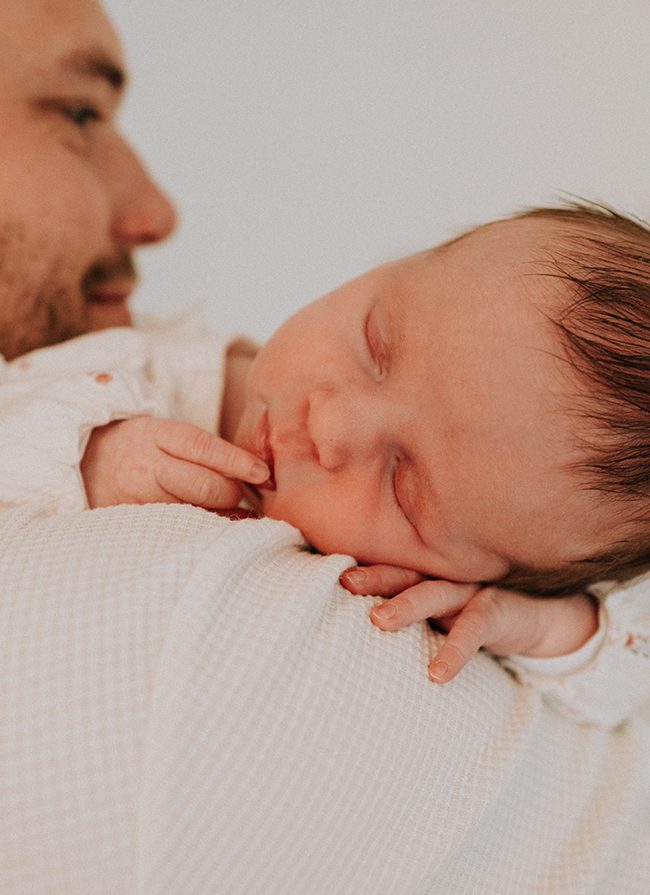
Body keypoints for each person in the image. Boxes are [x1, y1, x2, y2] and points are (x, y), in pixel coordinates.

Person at [2, 203, 650, 727]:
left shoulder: (479, 592)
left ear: (479, 570)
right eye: (376, 345)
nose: (330, 424)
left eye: (404, 484)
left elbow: (625, 685)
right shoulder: (129, 372)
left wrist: (542, 621)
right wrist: (88, 454)